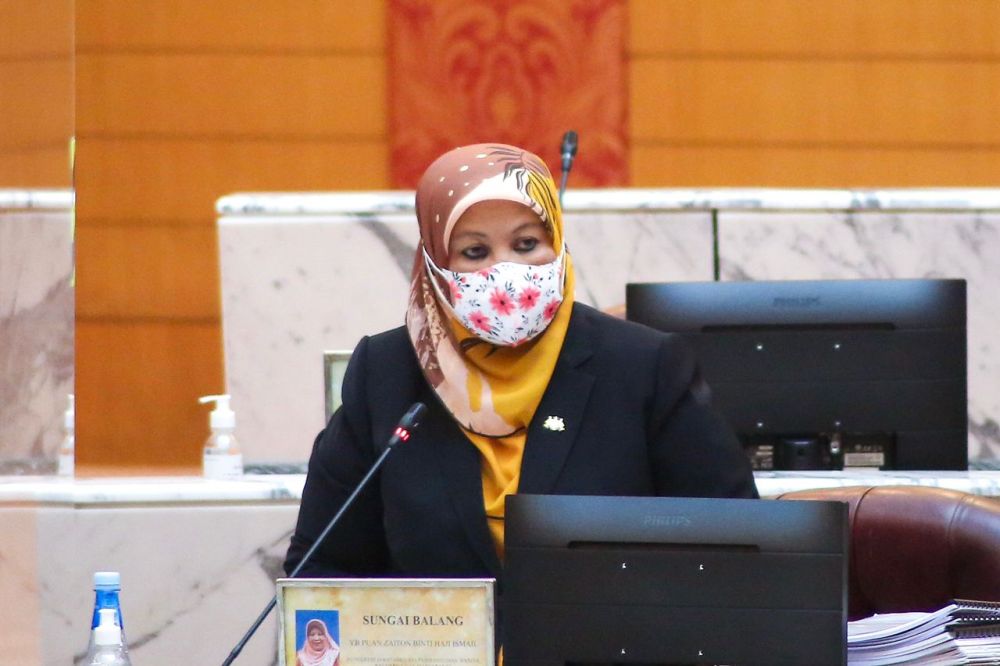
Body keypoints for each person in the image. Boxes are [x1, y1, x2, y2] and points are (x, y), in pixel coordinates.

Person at [285, 142, 758, 583]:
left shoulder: (644, 367)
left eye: (527, 244)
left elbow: (734, 550)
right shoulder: (386, 373)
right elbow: (322, 570)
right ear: (435, 262)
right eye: (475, 252)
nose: (507, 272)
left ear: (557, 242)